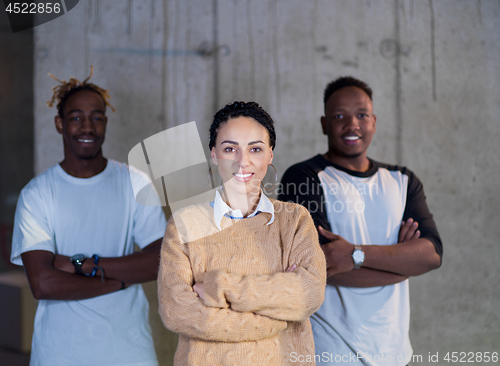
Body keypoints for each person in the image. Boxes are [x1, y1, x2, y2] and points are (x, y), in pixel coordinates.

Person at [279, 76, 443, 366]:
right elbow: (315, 268)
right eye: (339, 116)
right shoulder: (304, 178)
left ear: (374, 121)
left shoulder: (403, 180)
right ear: (324, 124)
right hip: (329, 353)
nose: (352, 124)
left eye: (362, 115)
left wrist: (354, 255)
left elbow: (431, 255)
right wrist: (402, 266)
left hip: (394, 352)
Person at [11, 67, 167, 366]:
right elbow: (43, 283)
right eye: (76, 117)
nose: (87, 127)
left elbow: (162, 261)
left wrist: (80, 264)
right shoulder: (37, 194)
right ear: (60, 124)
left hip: (129, 351)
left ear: (105, 123)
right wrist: (120, 281)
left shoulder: (134, 181)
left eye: (96, 117)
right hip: (60, 353)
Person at [158, 101, 327, 366]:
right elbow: (177, 311)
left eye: (255, 149)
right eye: (229, 149)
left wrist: (218, 287)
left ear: (270, 155)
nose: (242, 161)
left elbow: (308, 294)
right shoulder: (185, 224)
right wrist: (274, 315)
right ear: (213, 154)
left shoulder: (295, 220)